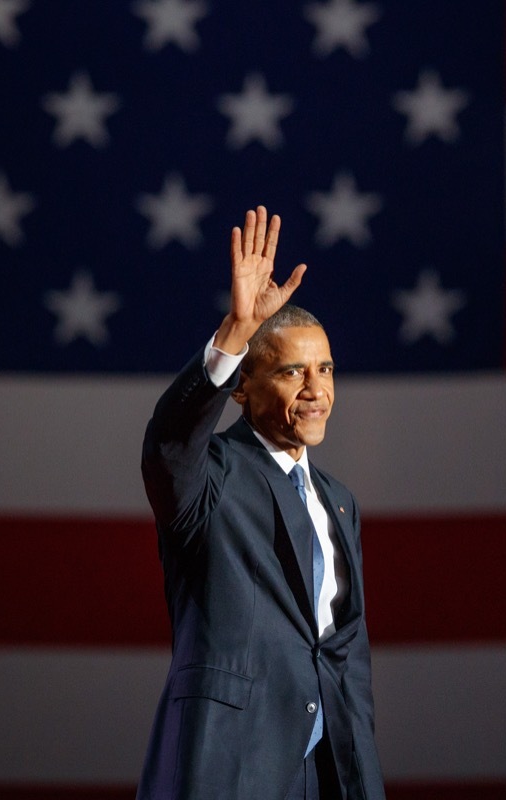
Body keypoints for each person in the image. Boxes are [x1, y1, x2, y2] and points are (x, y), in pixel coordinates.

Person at [137, 206, 385, 799]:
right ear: (242, 388)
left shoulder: (339, 502)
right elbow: (169, 443)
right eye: (293, 372)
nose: (316, 390)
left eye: (325, 369)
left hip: (330, 773)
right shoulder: (211, 477)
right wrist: (236, 332)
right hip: (232, 768)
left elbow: (345, 658)